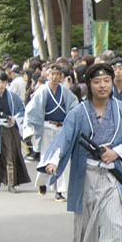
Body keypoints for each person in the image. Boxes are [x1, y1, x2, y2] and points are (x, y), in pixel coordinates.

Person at [38, 63, 122, 242]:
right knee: (88, 224)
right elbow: (65, 137)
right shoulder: (78, 112)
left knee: (115, 221)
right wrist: (54, 160)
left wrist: (116, 152)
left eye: (106, 80)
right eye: (97, 82)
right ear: (89, 85)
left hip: (115, 174)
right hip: (86, 172)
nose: (103, 85)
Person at [25, 63, 79, 201]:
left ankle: (59, 191)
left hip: (61, 128)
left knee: (61, 159)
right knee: (46, 158)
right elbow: (31, 111)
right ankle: (42, 182)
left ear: (61, 76)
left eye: (57, 74)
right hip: (47, 128)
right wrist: (31, 129)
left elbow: (74, 108)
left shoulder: (66, 92)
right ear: (47, 75)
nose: (54, 77)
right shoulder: (42, 91)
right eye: (52, 74)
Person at [0, 71, 30, 192]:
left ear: (6, 83)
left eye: (3, 82)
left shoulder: (13, 97)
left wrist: (15, 119)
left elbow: (22, 111)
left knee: (10, 156)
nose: (1, 85)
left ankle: (11, 183)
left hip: (10, 129)